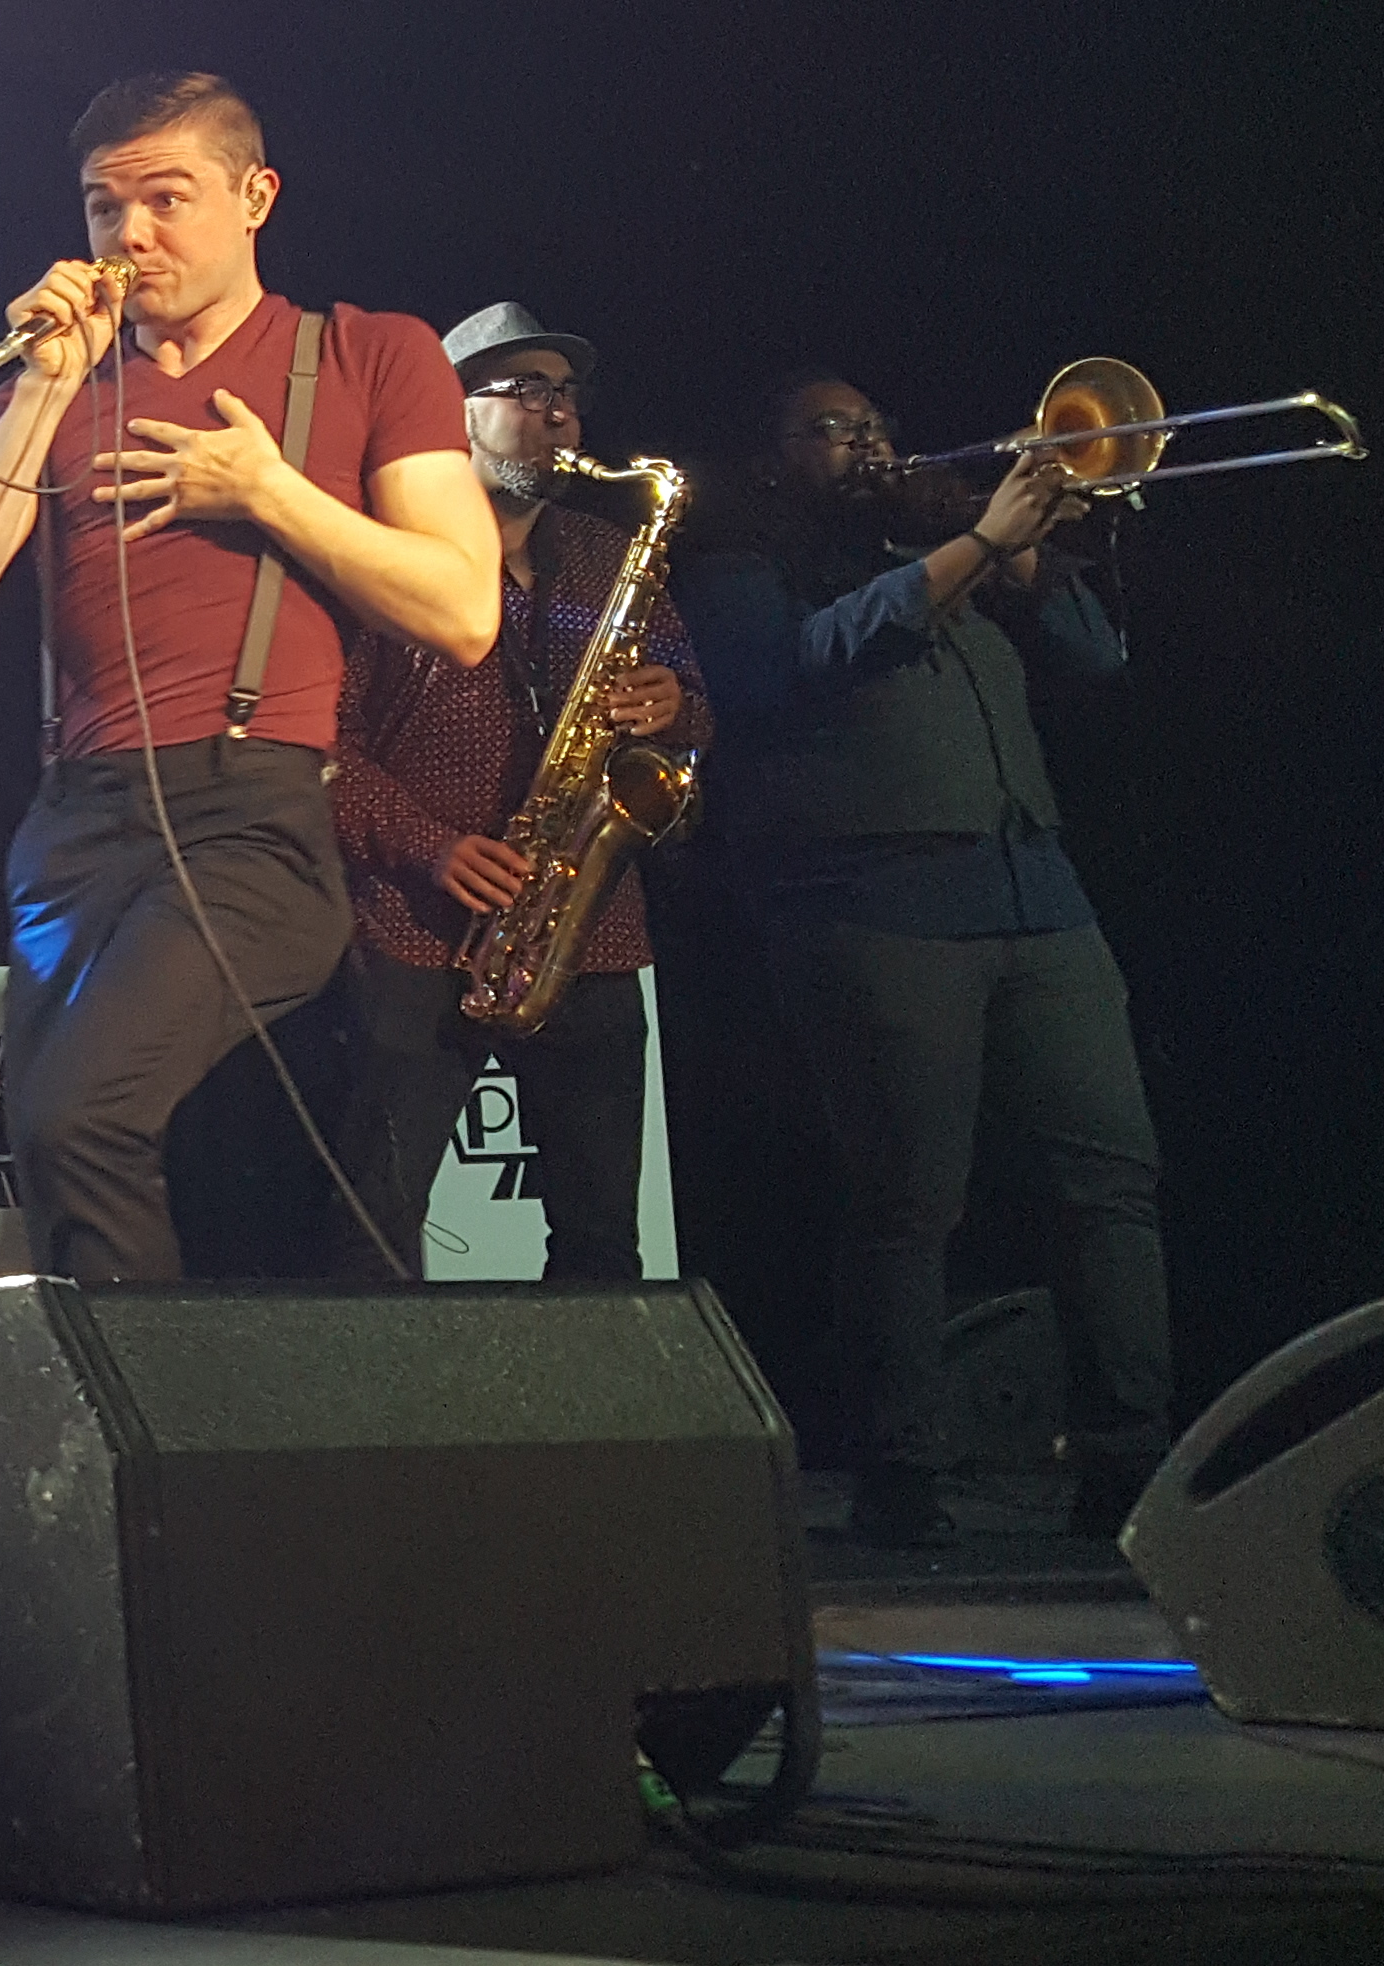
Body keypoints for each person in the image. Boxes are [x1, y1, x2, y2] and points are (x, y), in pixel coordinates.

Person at [0, 74, 495, 1284]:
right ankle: (135, 1388)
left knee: (78, 1113)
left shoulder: (366, 353)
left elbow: (463, 609)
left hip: (247, 817)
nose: (129, 236)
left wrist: (266, 492)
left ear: (254, 196)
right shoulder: (60, 384)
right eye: (102, 207)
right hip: (73, 826)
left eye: (166, 200)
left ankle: (140, 1395)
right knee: (54, 1142)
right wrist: (44, 386)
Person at [669, 371, 1168, 1548]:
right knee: (906, 1201)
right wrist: (972, 546)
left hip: (1034, 893)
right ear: (772, 458)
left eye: (874, 427)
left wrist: (1022, 553)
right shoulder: (738, 561)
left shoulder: (942, 548)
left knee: (1110, 1181)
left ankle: (1131, 1465)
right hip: (870, 906)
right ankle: (900, 1475)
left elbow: (1093, 657)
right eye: (829, 429)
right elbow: (779, 670)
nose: (866, 446)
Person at [307, 303, 708, 1282]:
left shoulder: (606, 554)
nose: (557, 414)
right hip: (414, 933)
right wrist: (429, 846)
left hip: (588, 930)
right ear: (447, 416)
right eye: (523, 391)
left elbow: (691, 710)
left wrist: (674, 705)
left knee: (603, 1244)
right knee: (373, 1231)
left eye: (565, 394)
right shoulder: (380, 553)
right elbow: (315, 745)